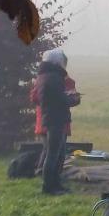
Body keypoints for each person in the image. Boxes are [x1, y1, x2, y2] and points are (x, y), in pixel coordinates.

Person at [34, 49, 80, 195]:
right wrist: (72, 99)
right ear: (56, 62)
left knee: (57, 154)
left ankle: (56, 185)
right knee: (53, 155)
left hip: (51, 118)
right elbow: (59, 99)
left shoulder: (44, 76)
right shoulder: (53, 77)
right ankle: (49, 187)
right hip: (55, 119)